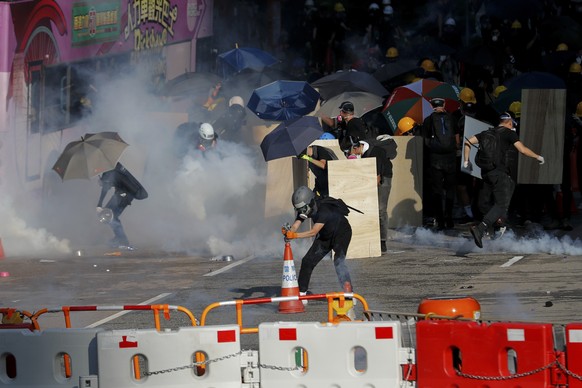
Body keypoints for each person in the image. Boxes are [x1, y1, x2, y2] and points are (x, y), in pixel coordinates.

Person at [463, 112, 544, 248]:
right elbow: (522, 150)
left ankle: (495, 227)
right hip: (499, 173)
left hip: (486, 173)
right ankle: (481, 229)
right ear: (510, 122)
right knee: (501, 205)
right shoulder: (509, 134)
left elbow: (467, 142)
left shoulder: (486, 133)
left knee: (487, 203)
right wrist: (538, 157)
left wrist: (466, 161)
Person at [283, 186, 353, 295]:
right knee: (307, 261)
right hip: (325, 236)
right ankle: (301, 294)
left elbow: (313, 232)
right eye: (300, 210)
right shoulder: (306, 208)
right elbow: (297, 223)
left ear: (311, 202)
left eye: (303, 209)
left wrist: (294, 236)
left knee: (339, 261)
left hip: (341, 234)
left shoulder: (324, 210)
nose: (303, 213)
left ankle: (349, 294)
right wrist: (289, 232)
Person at [348, 136, 394, 253]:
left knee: (380, 209)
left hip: (383, 179)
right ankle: (372, 238)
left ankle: (382, 241)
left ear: (357, 147)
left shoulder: (375, 151)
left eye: (351, 151)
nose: (350, 154)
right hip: (372, 179)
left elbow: (377, 178)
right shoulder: (363, 153)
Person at [421, 97, 459, 230]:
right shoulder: (452, 118)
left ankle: (440, 220)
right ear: (444, 105)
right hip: (450, 158)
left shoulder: (428, 120)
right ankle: (449, 218)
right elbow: (457, 138)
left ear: (432, 106)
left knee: (437, 189)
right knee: (450, 188)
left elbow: (425, 141)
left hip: (435, 158)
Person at [97, 163, 148, 250]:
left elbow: (105, 188)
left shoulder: (109, 170)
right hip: (123, 193)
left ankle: (122, 240)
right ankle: (119, 237)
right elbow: (111, 182)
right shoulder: (113, 166)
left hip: (125, 194)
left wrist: (99, 204)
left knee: (108, 215)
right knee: (110, 215)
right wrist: (102, 180)